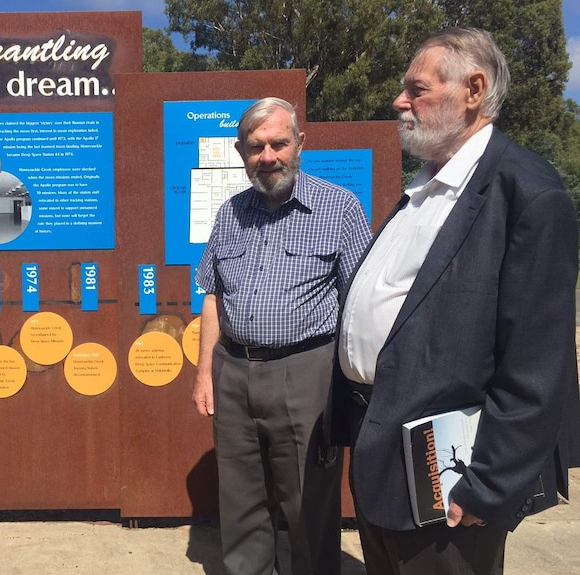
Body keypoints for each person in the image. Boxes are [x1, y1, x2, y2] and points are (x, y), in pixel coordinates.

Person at [326, 27, 580, 574]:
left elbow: (537, 368)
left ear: (473, 90)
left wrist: (489, 487)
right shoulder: (423, 189)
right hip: (382, 464)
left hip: (451, 489)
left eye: (416, 89)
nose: (400, 101)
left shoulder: (529, 195)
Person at [194, 97, 372, 575]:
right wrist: (204, 374)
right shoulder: (230, 212)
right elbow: (212, 294)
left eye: (278, 143)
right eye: (256, 147)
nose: (267, 156)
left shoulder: (340, 208)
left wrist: (356, 386)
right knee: (240, 496)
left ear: (300, 145)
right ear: (240, 152)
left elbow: (361, 305)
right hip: (232, 369)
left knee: (308, 501)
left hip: (307, 372)